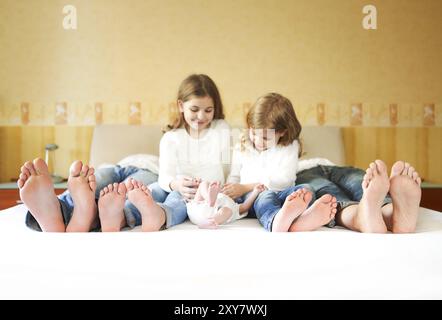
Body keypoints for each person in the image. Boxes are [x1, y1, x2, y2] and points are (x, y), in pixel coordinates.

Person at [18, 74, 230, 232]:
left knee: (128, 191)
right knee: (99, 177)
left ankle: (88, 215)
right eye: (194, 109)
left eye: (208, 110)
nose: (201, 116)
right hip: (119, 164)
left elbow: (171, 179)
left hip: (149, 172)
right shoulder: (171, 138)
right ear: (181, 106)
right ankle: (60, 206)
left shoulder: (219, 130)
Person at [224, 93, 337, 232]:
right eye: (254, 133)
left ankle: (298, 219)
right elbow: (234, 177)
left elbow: (284, 180)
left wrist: (244, 186)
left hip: (284, 194)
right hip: (252, 197)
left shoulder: (289, 146)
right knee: (265, 196)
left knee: (306, 190)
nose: (258, 141)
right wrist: (230, 191)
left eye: (265, 137)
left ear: (282, 132)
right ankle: (276, 220)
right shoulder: (241, 145)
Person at [293, 158, 422, 233]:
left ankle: (391, 213)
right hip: (301, 172)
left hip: (337, 167)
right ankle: (360, 216)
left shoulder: (289, 138)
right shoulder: (285, 159)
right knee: (327, 192)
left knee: (362, 183)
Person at [187, 180, 265, 229]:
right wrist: (255, 192)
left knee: (227, 211)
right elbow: (245, 206)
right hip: (201, 206)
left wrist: (255, 192)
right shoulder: (230, 204)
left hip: (201, 214)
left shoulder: (233, 206)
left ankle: (211, 220)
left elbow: (244, 207)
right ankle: (209, 200)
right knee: (204, 183)